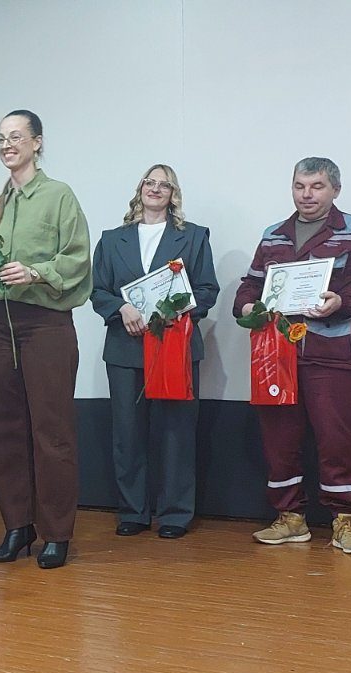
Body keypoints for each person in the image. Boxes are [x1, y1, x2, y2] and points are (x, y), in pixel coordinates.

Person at [234, 157, 351, 554]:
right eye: (300, 186)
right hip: (276, 355)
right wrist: (246, 307)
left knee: (339, 439)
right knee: (279, 439)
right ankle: (290, 518)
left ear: (335, 190)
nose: (306, 195)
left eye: (317, 186)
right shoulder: (273, 235)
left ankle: (345, 521)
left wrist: (342, 301)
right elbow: (250, 286)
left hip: (333, 355)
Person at [0, 110, 92, 569]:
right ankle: (18, 525)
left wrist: (35, 272)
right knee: (3, 427)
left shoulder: (58, 196)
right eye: (0, 139)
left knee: (52, 431)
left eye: (15, 137)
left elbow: (77, 259)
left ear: (37, 142)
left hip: (45, 323)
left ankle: (56, 533)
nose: (7, 145)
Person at [89, 164, 219, 539]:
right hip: (125, 349)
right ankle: (133, 511)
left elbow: (207, 290)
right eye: (150, 182)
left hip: (174, 346)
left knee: (177, 433)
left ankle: (175, 514)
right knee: (127, 434)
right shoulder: (111, 240)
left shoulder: (193, 237)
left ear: (173, 194)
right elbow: (97, 291)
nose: (156, 189)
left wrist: (175, 309)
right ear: (140, 189)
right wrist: (121, 308)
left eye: (165, 184)